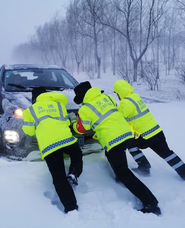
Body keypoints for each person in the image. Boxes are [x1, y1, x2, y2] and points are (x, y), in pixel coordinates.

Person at [69, 81, 161, 216]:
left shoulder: (85, 108)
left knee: (124, 172)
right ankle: (120, 179)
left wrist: (73, 120)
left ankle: (151, 203)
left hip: (113, 140)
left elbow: (82, 129)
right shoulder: (107, 98)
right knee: (114, 160)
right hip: (126, 134)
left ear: (82, 97)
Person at [113, 80, 185, 182]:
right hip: (156, 132)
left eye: (116, 93)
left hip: (145, 136)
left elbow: (119, 117)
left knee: (130, 145)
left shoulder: (126, 102)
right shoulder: (135, 97)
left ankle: (144, 167)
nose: (117, 95)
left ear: (119, 92)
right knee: (167, 154)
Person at [22, 88, 83, 214]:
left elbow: (29, 131)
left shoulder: (30, 111)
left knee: (58, 177)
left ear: (34, 98)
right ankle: (74, 173)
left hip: (49, 146)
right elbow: (66, 122)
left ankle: (71, 208)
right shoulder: (58, 105)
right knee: (76, 155)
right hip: (67, 140)